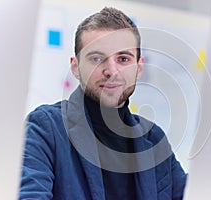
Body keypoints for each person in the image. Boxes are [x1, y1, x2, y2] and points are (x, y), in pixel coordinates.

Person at [19, 7, 187, 200]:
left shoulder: (154, 139)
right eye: (97, 58)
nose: (111, 70)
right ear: (75, 67)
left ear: (139, 68)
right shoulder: (45, 128)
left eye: (123, 59)